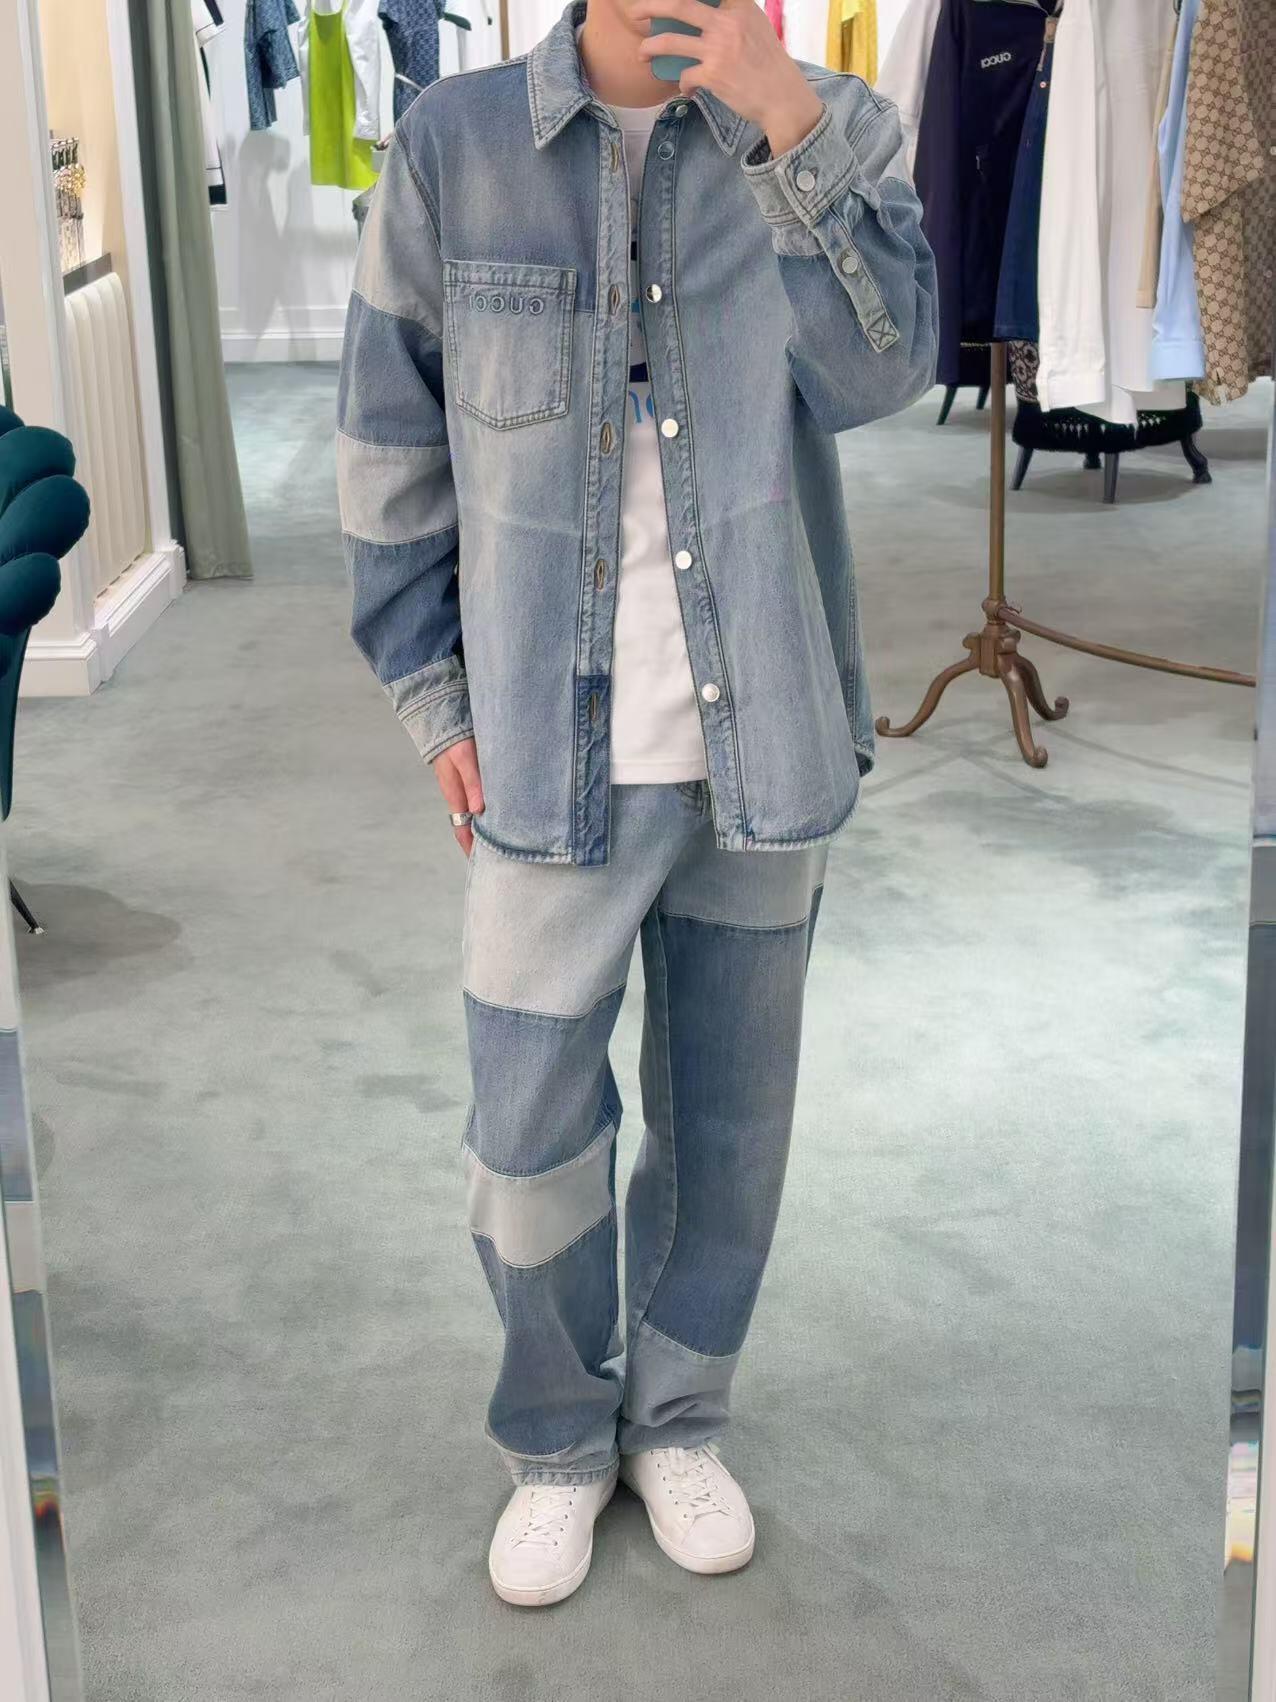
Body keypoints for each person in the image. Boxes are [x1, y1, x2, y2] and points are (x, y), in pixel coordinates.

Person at [336, 0, 936, 1608]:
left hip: (764, 741)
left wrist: (787, 129)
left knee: (728, 1124)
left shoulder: (830, 122)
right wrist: (432, 691)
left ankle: (678, 1415)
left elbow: (886, 371)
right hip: (548, 751)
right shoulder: (454, 149)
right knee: (526, 1129)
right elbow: (389, 441)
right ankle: (555, 1434)